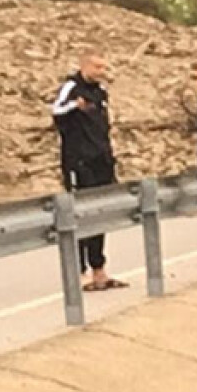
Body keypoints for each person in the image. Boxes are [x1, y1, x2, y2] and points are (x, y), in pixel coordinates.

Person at [52, 50, 128, 291]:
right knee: (80, 215)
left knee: (100, 214)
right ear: (85, 66)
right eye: (97, 67)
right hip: (79, 162)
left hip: (101, 160)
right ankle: (79, 270)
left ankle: (99, 270)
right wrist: (75, 106)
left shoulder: (101, 92)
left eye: (103, 68)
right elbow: (56, 111)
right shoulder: (71, 87)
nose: (101, 72)